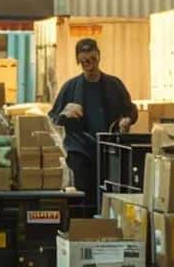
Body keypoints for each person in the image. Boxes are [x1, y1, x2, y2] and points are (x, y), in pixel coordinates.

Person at [47, 37, 138, 195]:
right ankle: (84, 220)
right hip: (80, 150)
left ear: (99, 56)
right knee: (83, 195)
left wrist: (127, 120)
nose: (89, 64)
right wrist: (64, 113)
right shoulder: (70, 87)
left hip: (109, 150)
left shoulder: (114, 84)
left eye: (92, 59)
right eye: (85, 61)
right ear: (78, 61)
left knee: (109, 193)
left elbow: (131, 110)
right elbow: (52, 117)